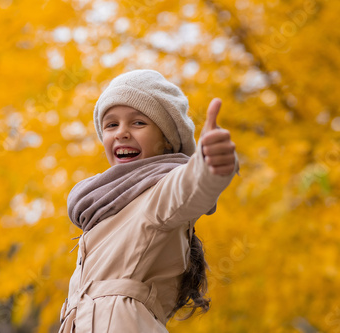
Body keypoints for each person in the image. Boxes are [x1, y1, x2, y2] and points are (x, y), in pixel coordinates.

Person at [58, 69, 239, 333]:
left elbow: (188, 187)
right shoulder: (104, 207)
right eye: (111, 124)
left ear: (166, 140)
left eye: (138, 123)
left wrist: (210, 163)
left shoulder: (157, 196)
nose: (122, 133)